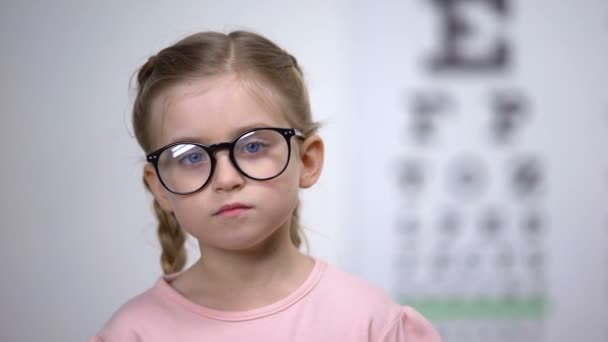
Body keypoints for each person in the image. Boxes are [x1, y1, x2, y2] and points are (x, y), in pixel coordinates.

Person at [90, 30, 441, 342]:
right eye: (191, 157)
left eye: (253, 146)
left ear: (307, 160)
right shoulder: (130, 334)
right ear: (160, 186)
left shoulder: (375, 325)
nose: (227, 179)